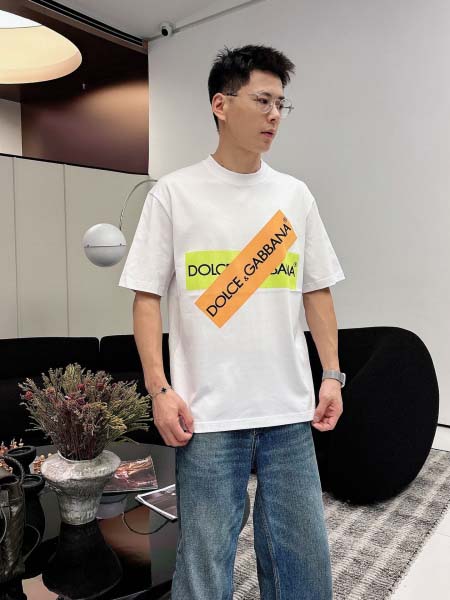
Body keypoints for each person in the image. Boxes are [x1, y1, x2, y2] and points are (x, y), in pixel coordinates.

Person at [119, 44, 346, 600]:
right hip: (207, 416)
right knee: (203, 566)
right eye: (262, 100)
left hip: (289, 410)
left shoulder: (294, 196)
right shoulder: (174, 193)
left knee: (303, 566)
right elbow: (147, 297)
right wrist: (159, 389)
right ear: (221, 105)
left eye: (281, 104)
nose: (274, 115)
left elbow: (316, 289)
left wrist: (332, 374)